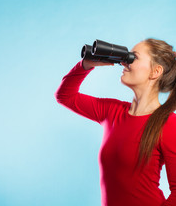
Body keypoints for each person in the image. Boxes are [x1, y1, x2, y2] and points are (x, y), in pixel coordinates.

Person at [55, 38, 176, 206]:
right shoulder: (111, 111)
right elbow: (65, 96)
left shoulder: (168, 124)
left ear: (155, 71)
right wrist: (86, 65)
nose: (124, 62)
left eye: (133, 57)